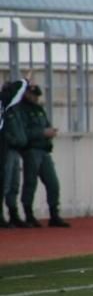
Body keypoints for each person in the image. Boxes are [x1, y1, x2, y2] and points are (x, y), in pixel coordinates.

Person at [19, 83, 71, 228]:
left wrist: (50, 132)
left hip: (43, 149)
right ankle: (28, 214)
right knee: (30, 183)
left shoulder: (39, 109)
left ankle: (54, 214)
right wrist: (42, 133)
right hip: (31, 149)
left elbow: (45, 125)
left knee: (53, 183)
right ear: (27, 94)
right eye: (33, 95)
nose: (36, 98)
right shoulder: (21, 111)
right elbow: (23, 133)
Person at [0, 79, 29, 228]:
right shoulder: (7, 104)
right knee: (4, 182)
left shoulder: (11, 107)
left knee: (13, 184)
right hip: (7, 147)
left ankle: (12, 213)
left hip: (12, 148)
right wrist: (25, 80)